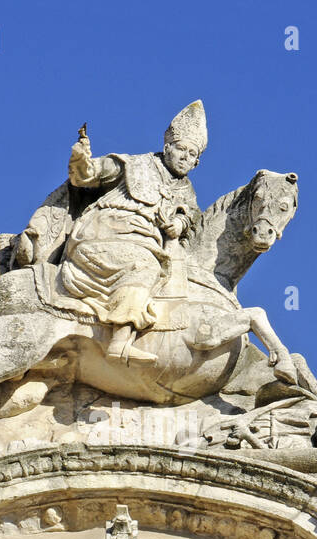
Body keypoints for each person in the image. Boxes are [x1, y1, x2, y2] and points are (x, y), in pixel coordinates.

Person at [56, 101, 208, 365]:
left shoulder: (187, 192)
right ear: (167, 147)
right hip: (104, 234)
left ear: (197, 162)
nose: (185, 157)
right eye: (181, 149)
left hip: (144, 244)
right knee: (144, 267)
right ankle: (120, 341)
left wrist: (179, 225)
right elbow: (87, 175)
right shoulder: (132, 165)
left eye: (192, 154)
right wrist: (81, 159)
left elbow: (190, 217)